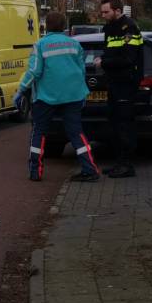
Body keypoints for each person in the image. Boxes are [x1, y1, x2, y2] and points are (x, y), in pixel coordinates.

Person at [14, 11, 100, 182]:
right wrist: (82, 92)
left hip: (47, 96)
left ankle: (35, 171)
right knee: (76, 133)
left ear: (46, 26)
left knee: (39, 132)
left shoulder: (40, 45)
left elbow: (34, 72)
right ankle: (89, 169)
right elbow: (81, 69)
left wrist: (21, 90)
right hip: (73, 95)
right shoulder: (74, 44)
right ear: (63, 26)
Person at [94, 0, 143, 178]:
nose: (103, 15)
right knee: (114, 123)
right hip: (114, 82)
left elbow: (128, 58)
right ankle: (118, 163)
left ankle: (127, 165)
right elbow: (112, 51)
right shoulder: (109, 28)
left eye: (106, 12)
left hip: (126, 82)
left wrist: (104, 62)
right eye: (102, 12)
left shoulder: (129, 28)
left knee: (124, 124)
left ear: (118, 10)